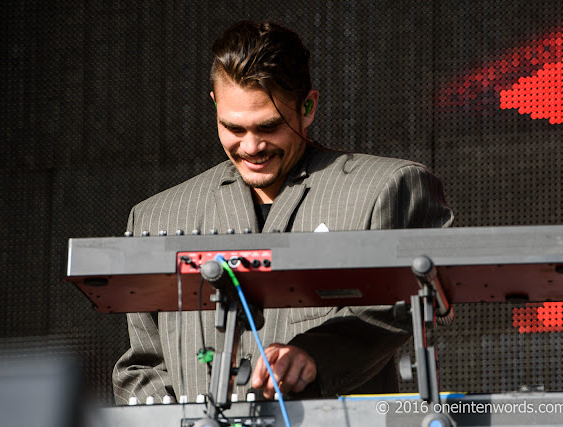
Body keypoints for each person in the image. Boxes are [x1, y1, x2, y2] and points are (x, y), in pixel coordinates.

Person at [112, 20, 453, 405]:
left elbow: (397, 307)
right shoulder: (157, 217)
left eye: (269, 127)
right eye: (233, 128)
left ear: (308, 107)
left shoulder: (384, 189)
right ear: (214, 105)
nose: (251, 146)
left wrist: (313, 355)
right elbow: (142, 366)